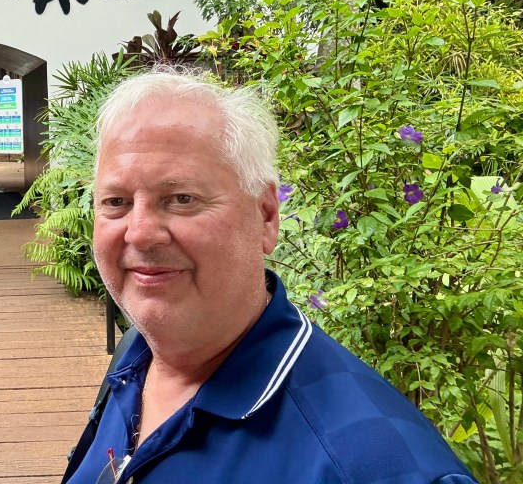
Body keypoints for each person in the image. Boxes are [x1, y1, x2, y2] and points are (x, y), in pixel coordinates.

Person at [62, 70, 477, 484]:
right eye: (115, 201)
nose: (139, 233)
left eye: (182, 199)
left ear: (266, 216)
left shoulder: (372, 465)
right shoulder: (137, 359)